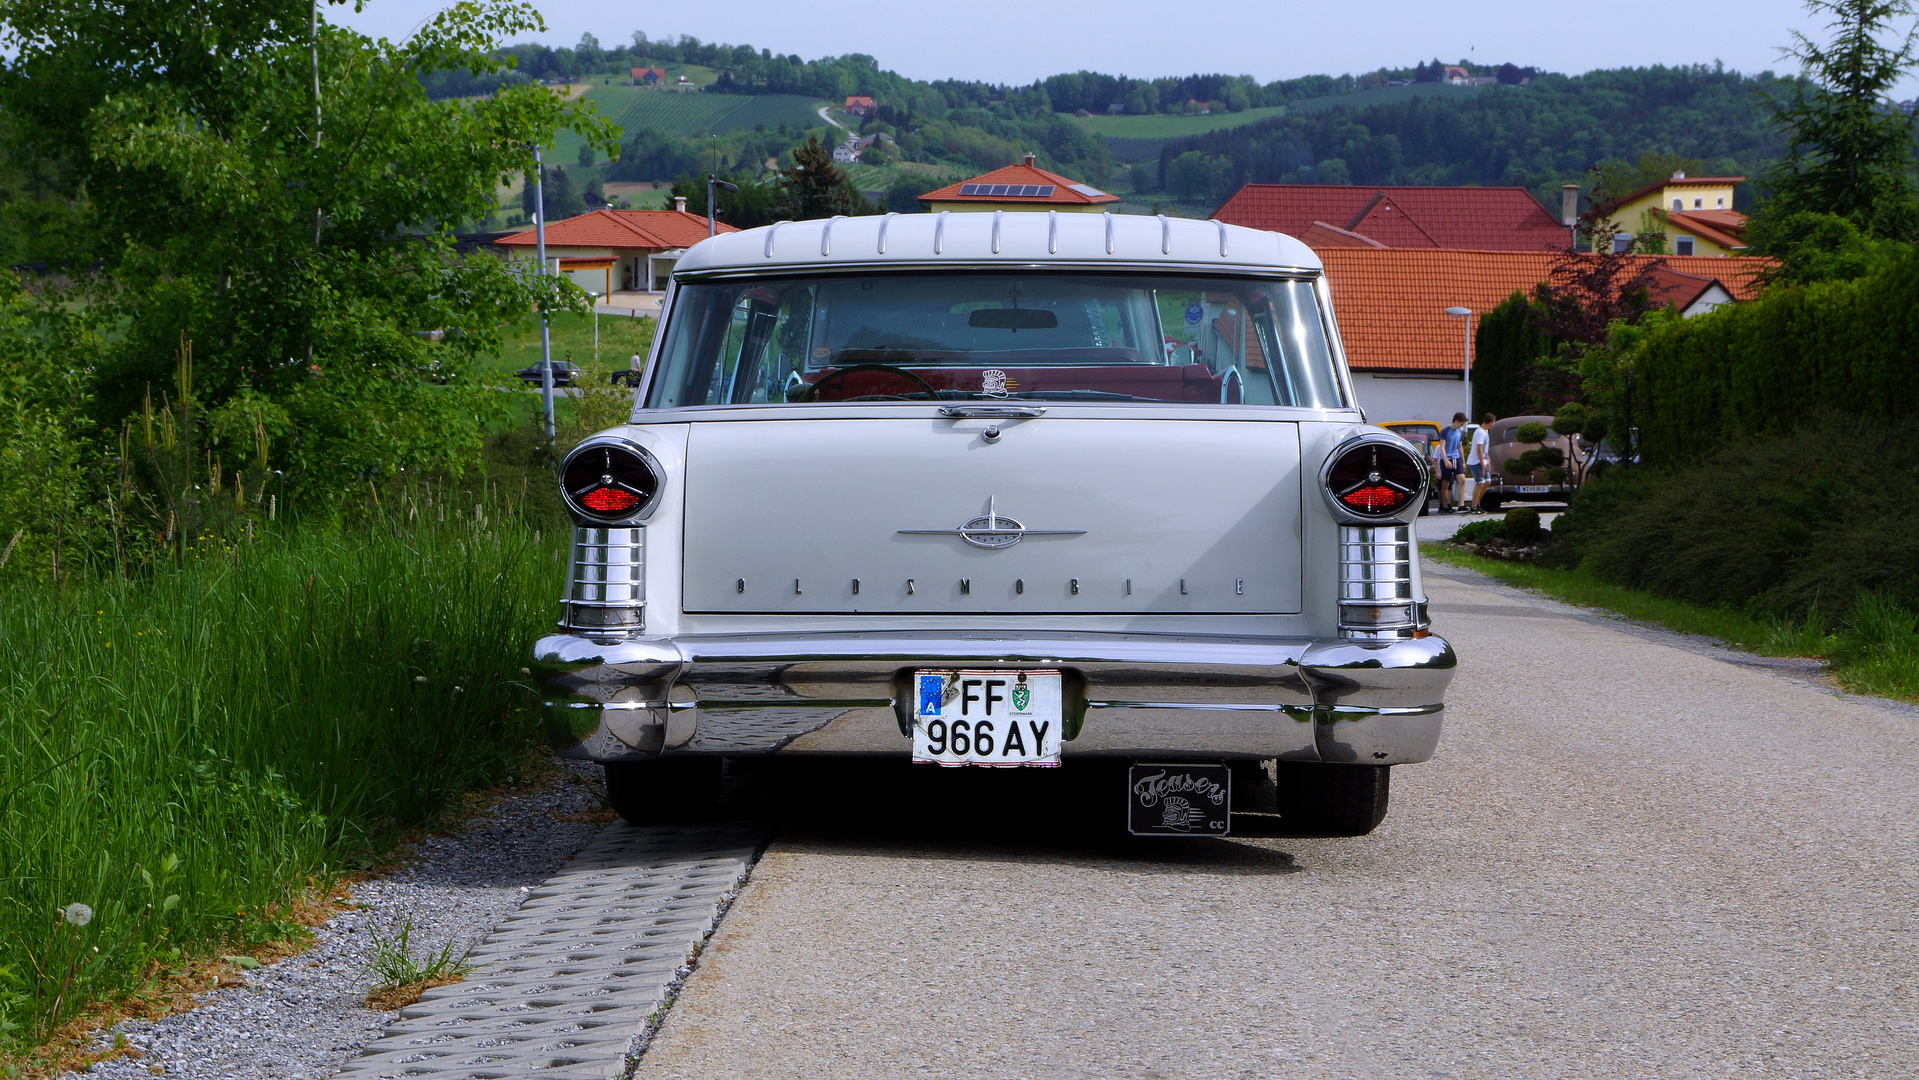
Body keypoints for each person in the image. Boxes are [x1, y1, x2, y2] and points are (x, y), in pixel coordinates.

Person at [1467, 411, 1495, 513]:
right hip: (1476, 461)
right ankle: (1473, 506)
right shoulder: (1479, 432)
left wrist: (1488, 460)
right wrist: (1482, 466)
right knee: (1480, 482)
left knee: (1487, 481)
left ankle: (1477, 502)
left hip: (1483, 460)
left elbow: (1484, 449)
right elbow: (1479, 450)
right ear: (1490, 422)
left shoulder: (1486, 432)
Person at [1437, 413, 1466, 513]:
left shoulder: (1459, 432)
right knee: (1446, 483)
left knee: (1462, 479)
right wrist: (1445, 460)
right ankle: (1445, 506)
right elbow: (1442, 447)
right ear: (1456, 421)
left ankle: (1461, 504)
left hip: (1456, 457)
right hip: (1447, 458)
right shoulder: (1445, 431)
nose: (1462, 426)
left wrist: (1463, 461)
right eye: (1461, 424)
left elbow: (1460, 446)